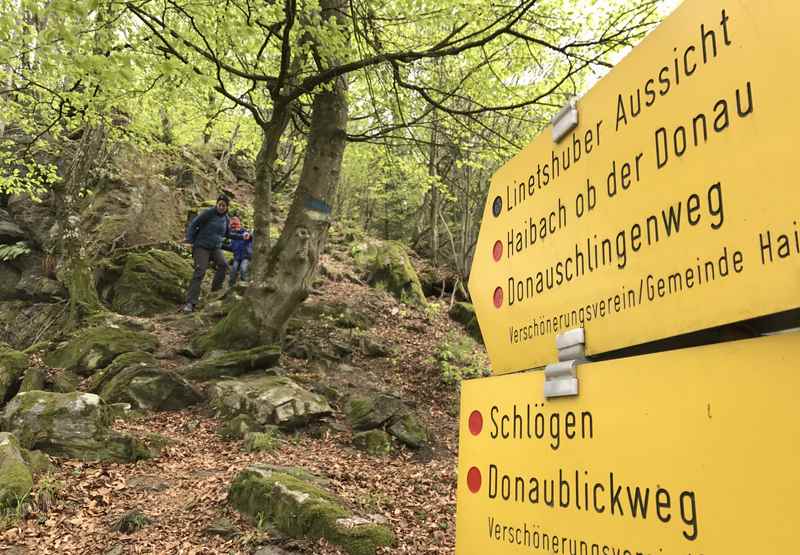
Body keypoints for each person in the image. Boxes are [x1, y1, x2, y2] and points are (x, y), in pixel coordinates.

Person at [182, 194, 249, 313]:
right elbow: (193, 224)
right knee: (200, 271)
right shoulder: (208, 213)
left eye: (224, 205)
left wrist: (241, 236)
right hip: (201, 246)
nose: (221, 207)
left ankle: (214, 292)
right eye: (220, 205)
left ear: (227, 207)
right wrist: (189, 241)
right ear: (217, 204)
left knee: (223, 265)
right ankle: (190, 303)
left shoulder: (226, 219)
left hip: (215, 248)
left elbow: (228, 234)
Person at [228, 216, 253, 287]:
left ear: (239, 224)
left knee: (243, 268)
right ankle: (231, 286)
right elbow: (231, 247)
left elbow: (251, 236)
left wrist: (249, 235)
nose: (234, 227)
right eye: (232, 226)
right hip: (237, 257)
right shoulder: (232, 236)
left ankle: (244, 284)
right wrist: (220, 245)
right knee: (233, 269)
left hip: (246, 256)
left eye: (235, 225)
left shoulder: (244, 232)